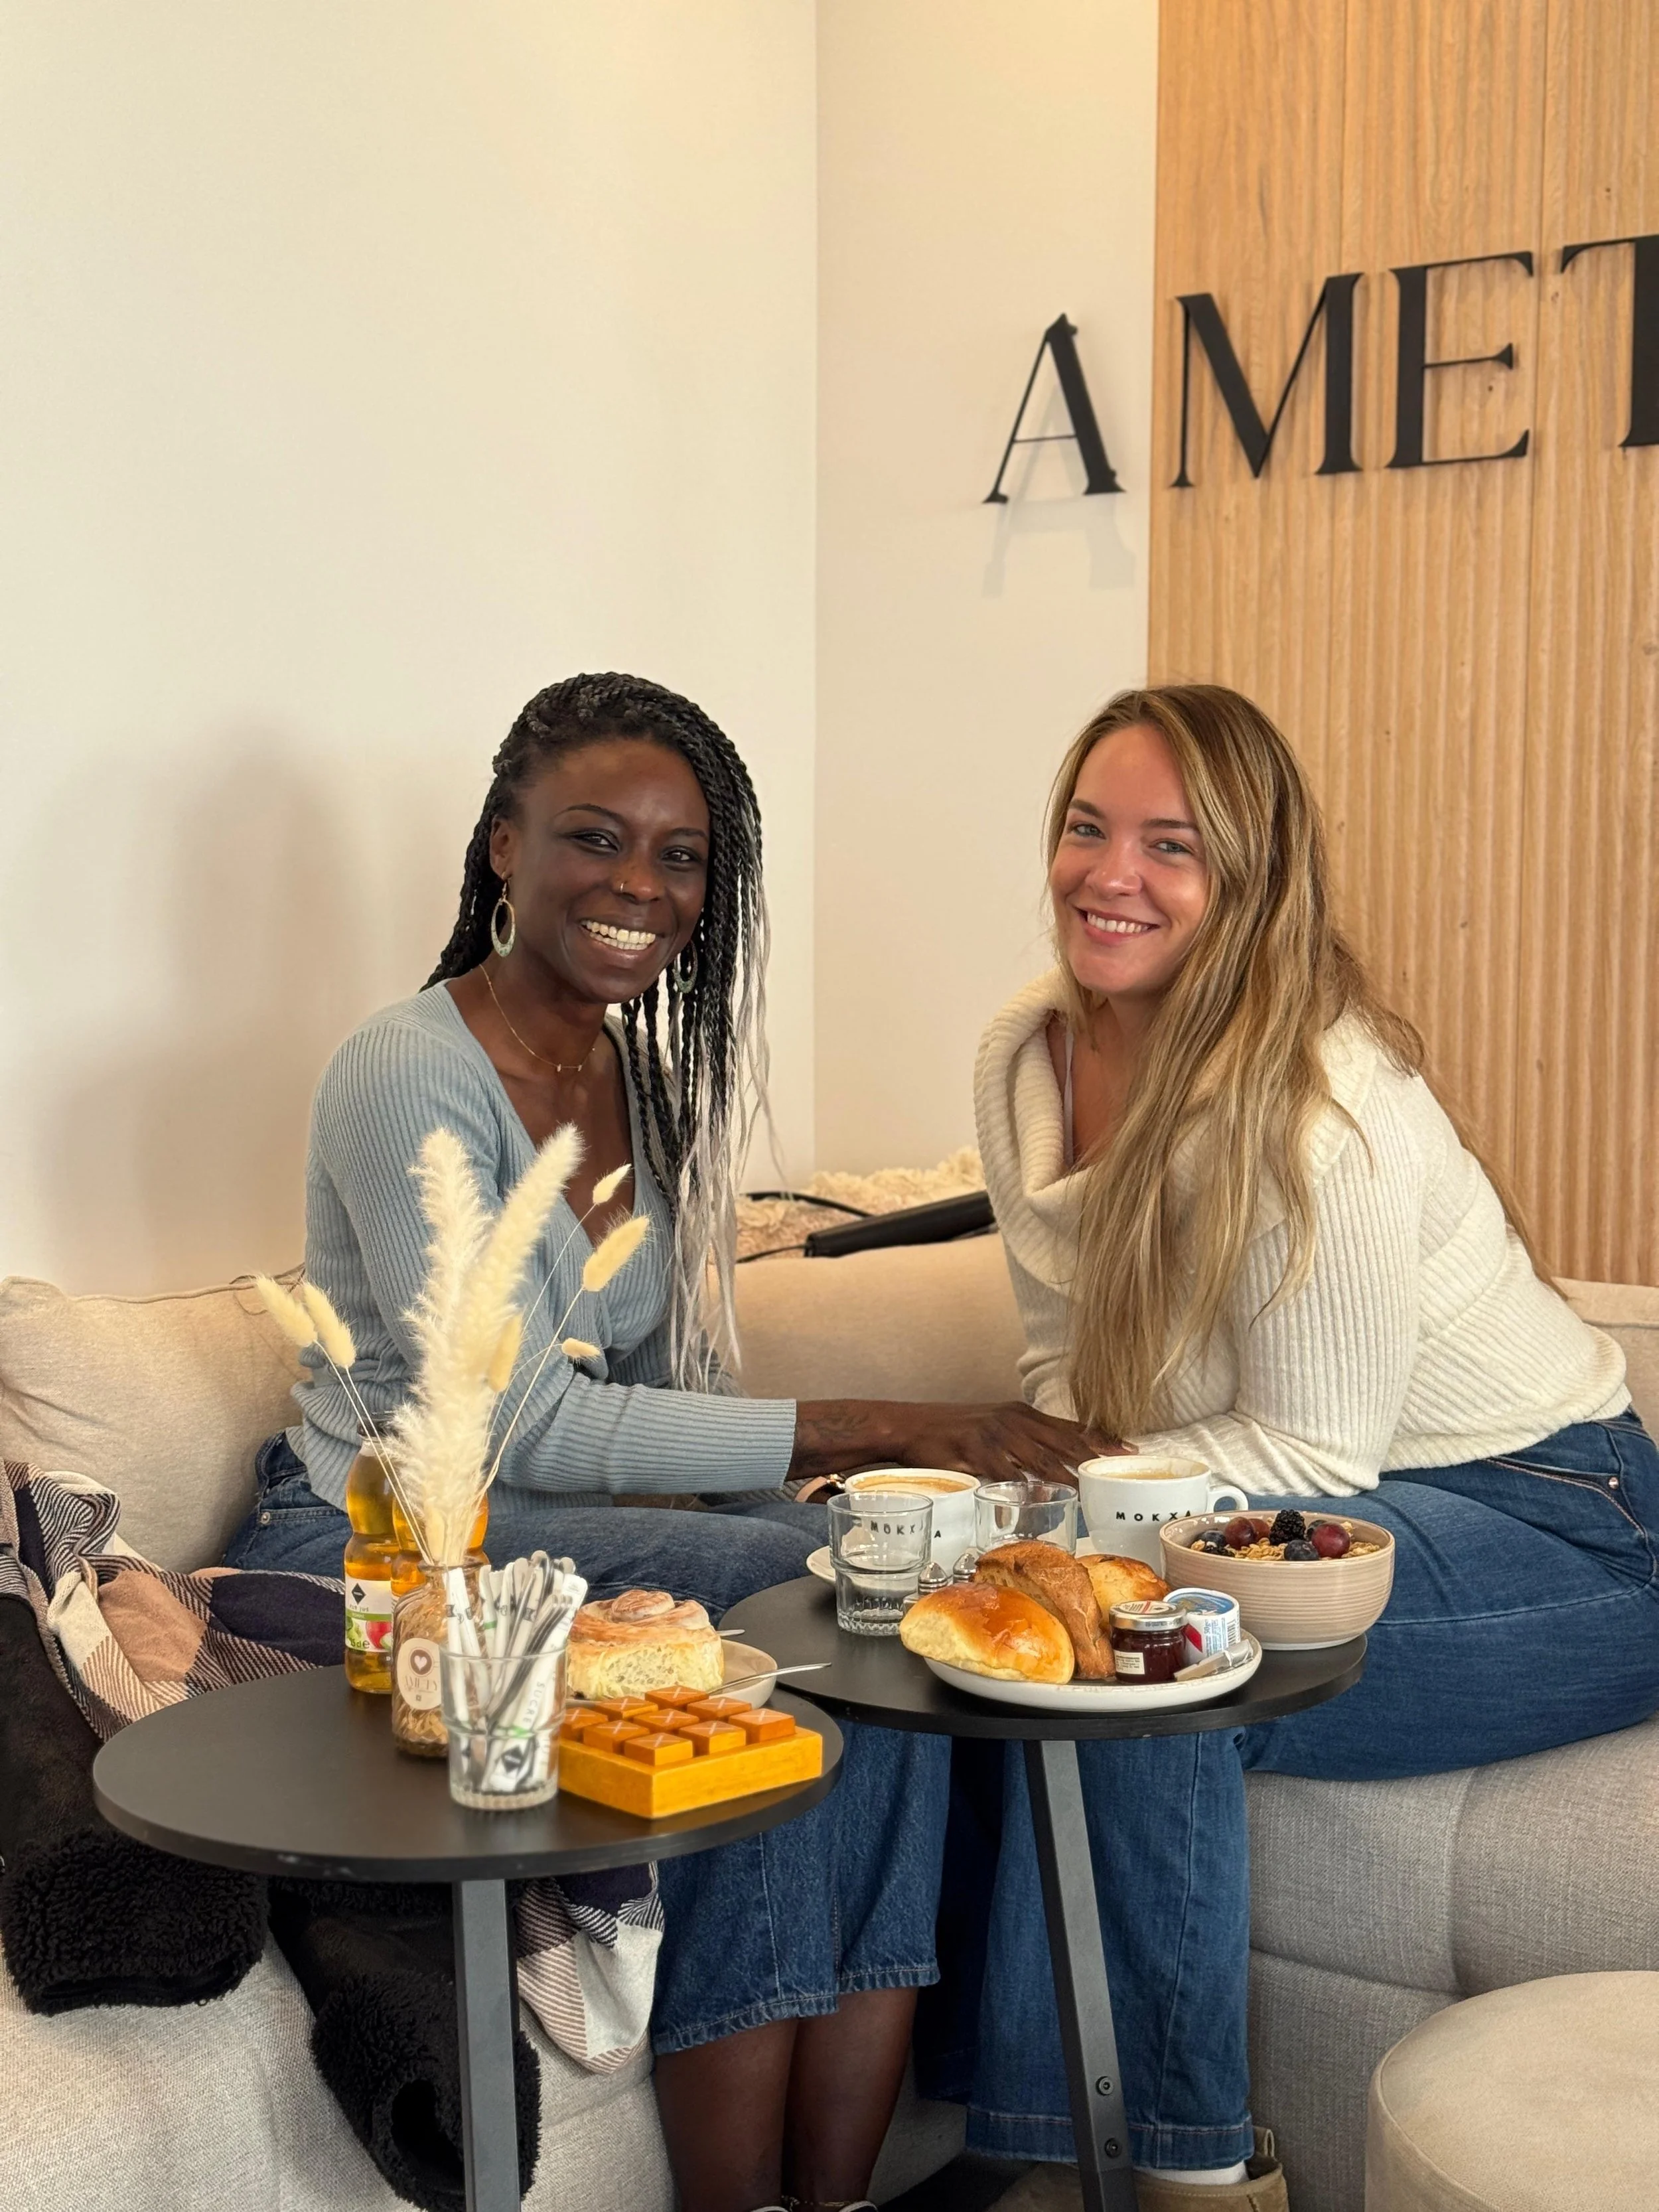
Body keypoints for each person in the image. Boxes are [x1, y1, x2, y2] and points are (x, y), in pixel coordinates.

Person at [226, 672, 1107, 2212]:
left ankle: (829, 2197)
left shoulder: (645, 1082)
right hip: (390, 1544)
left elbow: (665, 1390)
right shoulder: (406, 1072)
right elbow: (520, 1427)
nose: (639, 885)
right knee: (775, 1614)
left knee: (874, 1592)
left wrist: (856, 1497)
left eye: (679, 856)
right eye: (595, 837)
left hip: (548, 1525)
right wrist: (905, 1423)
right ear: (504, 846)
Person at [964, 684, 1659, 2210]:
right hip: (1342, 1497)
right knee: (1028, 1631)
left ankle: (1193, 2181)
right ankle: (1037, 2158)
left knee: (1162, 1655)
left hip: (1563, 1518)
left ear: (1251, 878)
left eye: (1170, 846)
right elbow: (1059, 1364)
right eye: (1086, 828)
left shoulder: (1311, 1102)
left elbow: (1306, 1447)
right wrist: (1025, 1516)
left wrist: (1070, 1515)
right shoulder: (1026, 1061)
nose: (1108, 875)